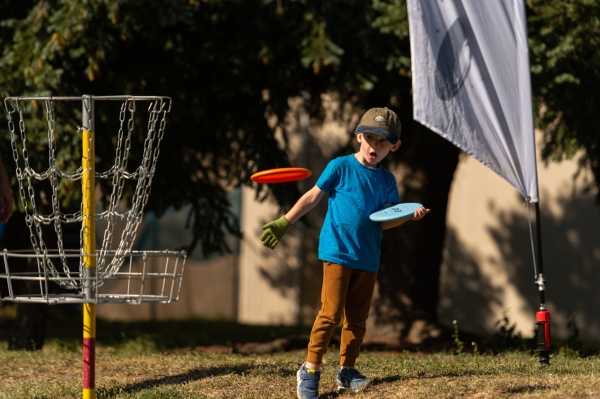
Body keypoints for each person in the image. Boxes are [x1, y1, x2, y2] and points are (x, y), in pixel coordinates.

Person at [260, 107, 430, 399]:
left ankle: (347, 371)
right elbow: (313, 197)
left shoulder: (387, 181)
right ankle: (310, 370)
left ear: (394, 146)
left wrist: (408, 216)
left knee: (357, 320)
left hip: (368, 257)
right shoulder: (340, 167)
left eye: (383, 142)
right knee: (330, 314)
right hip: (338, 252)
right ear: (359, 137)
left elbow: (385, 221)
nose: (374, 147)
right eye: (370, 139)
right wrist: (285, 221)